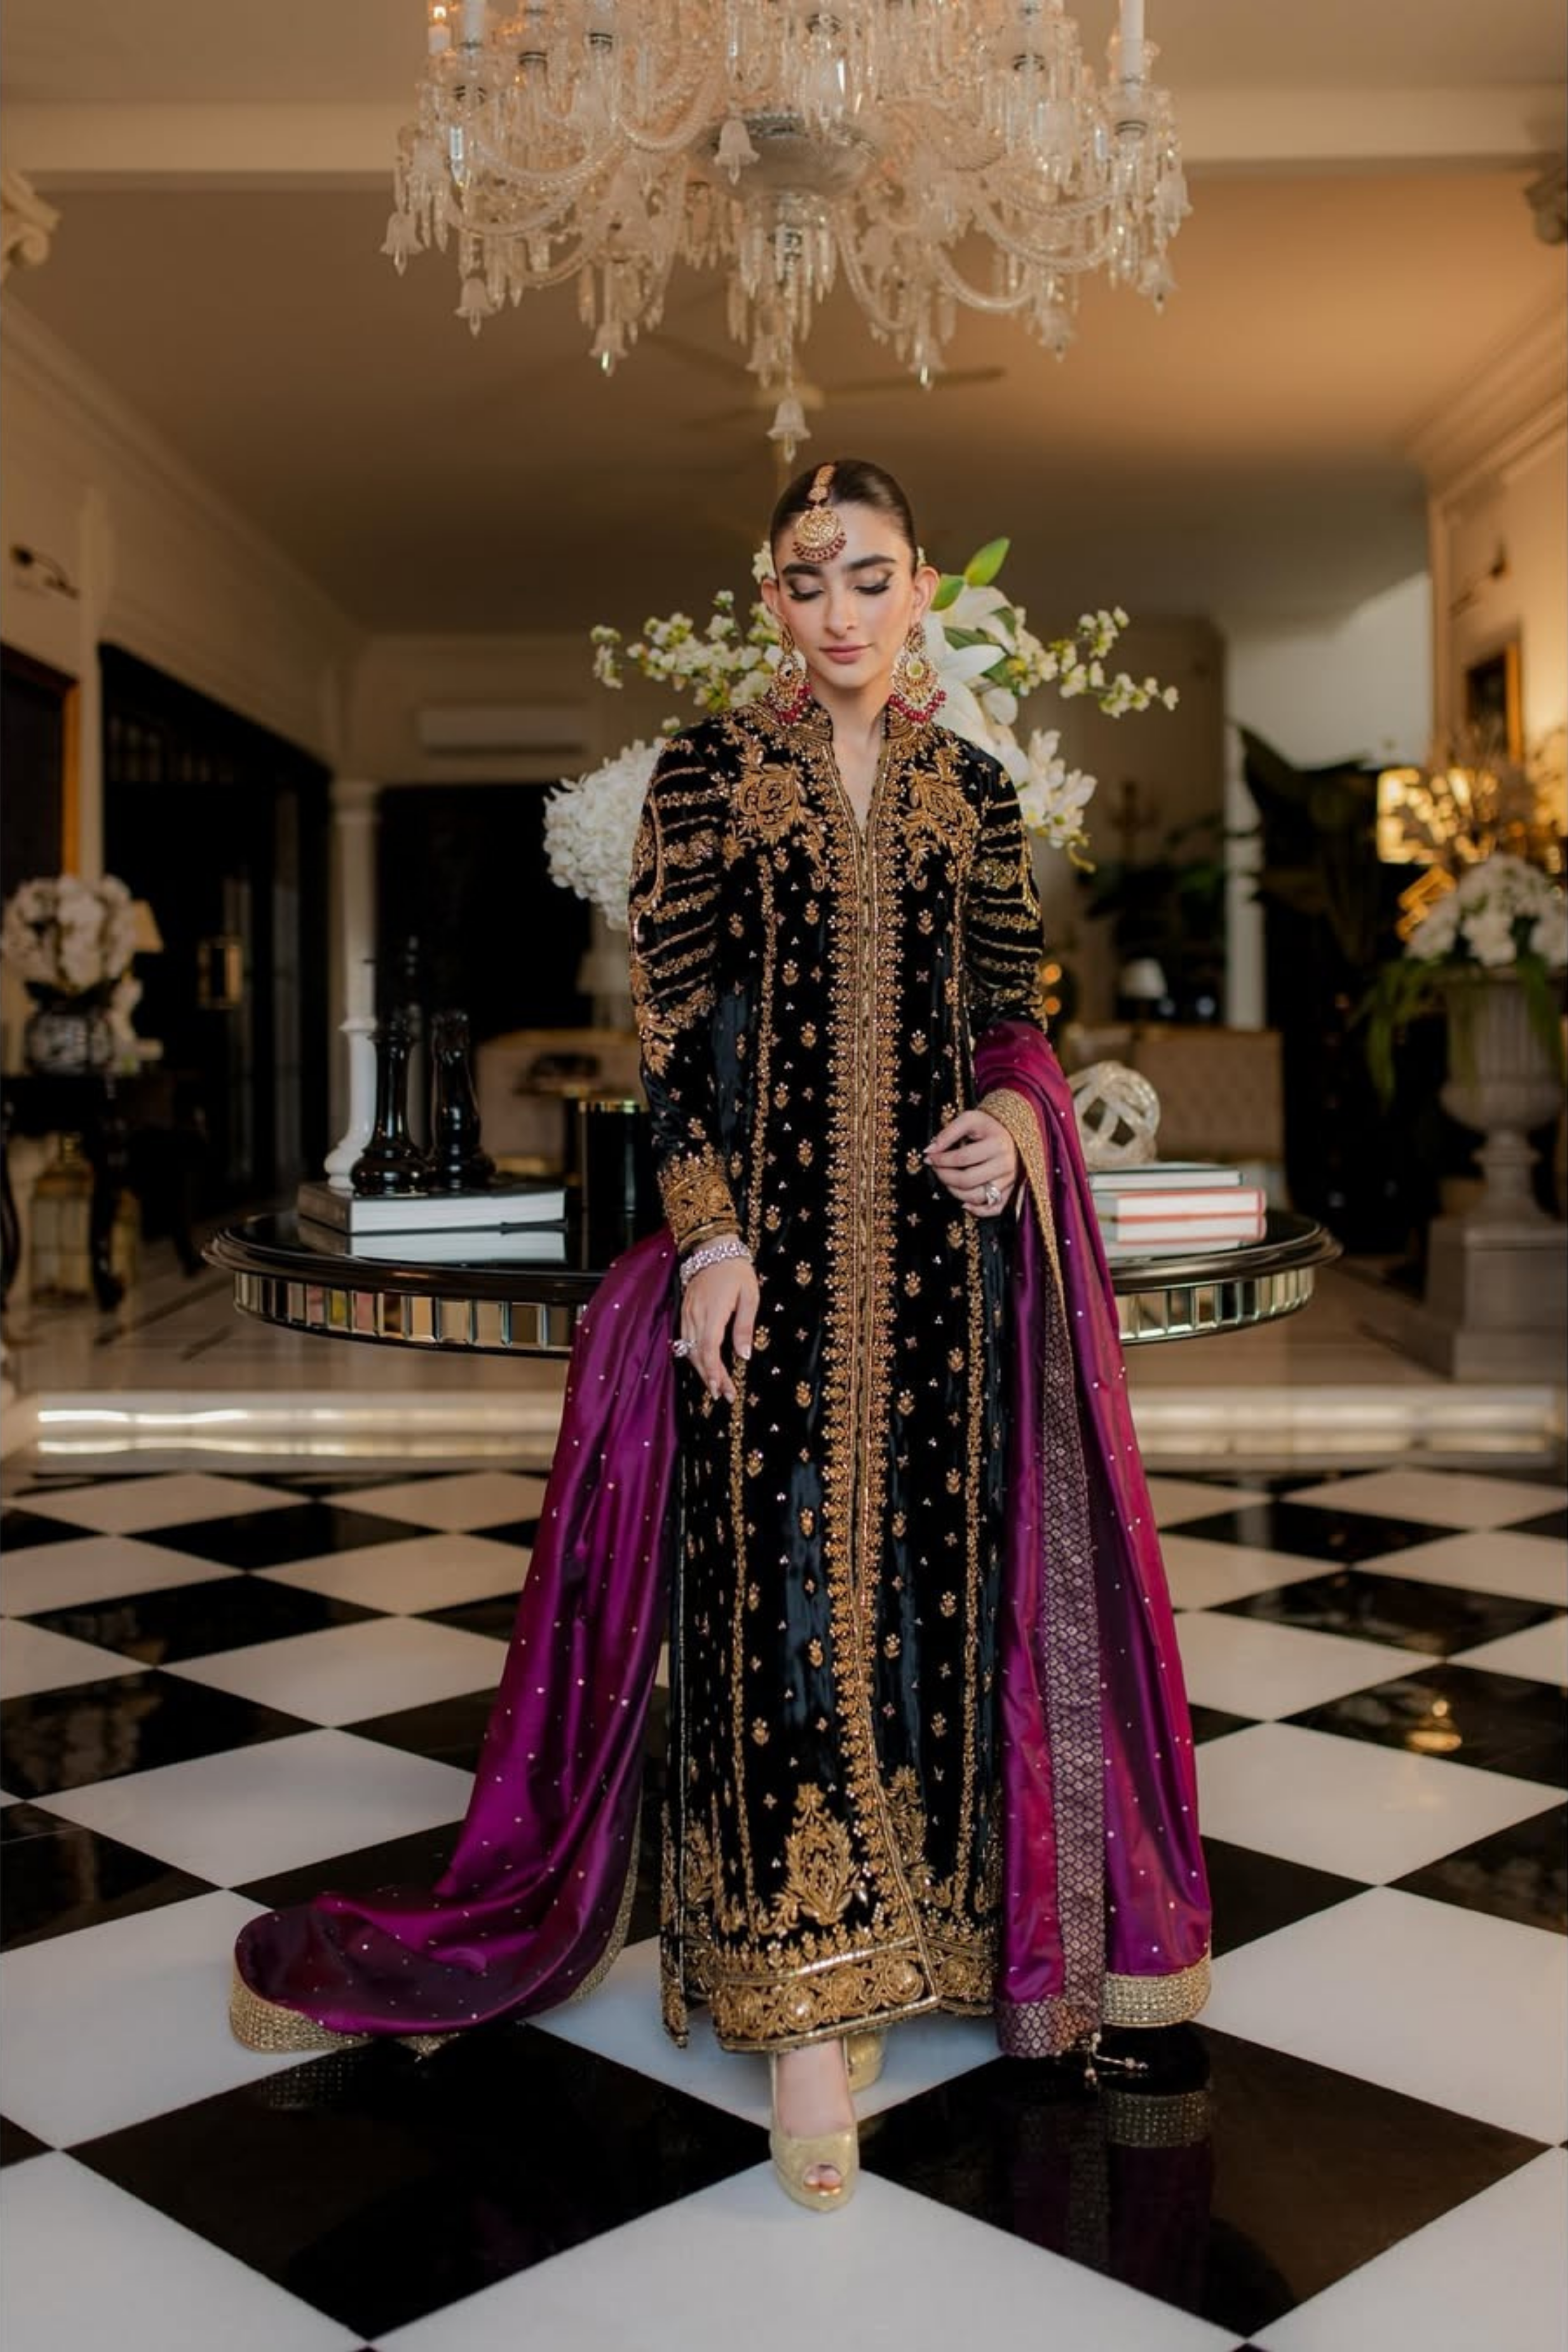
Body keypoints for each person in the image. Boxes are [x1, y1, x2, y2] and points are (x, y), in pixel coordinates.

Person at [230, 458, 1211, 2217]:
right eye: (805, 580)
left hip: (945, 1278)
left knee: (931, 1608)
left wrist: (1015, 1125)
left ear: (922, 588)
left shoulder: (976, 795)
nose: (839, 611)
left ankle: (918, 1948)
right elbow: (674, 1040)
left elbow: (1013, 1015)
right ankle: (797, 2017)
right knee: (780, 1614)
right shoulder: (708, 777)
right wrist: (708, 1241)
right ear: (770, 597)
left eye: (870, 576)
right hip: (769, 1272)